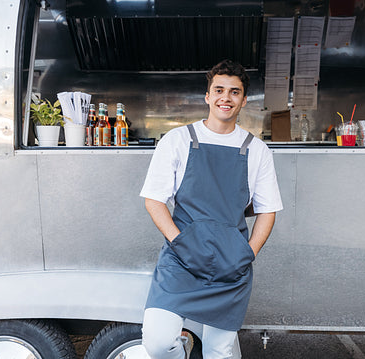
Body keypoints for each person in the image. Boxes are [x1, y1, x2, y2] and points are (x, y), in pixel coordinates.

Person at [139, 59, 283, 359]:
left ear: (243, 100)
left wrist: (248, 254)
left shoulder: (256, 150)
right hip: (181, 260)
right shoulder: (178, 140)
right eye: (219, 90)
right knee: (157, 342)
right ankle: (183, 349)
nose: (225, 98)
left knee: (220, 353)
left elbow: (268, 211)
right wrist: (179, 242)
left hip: (231, 266)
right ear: (207, 96)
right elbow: (154, 199)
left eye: (234, 92)